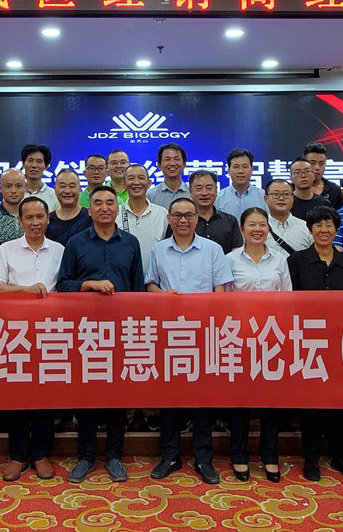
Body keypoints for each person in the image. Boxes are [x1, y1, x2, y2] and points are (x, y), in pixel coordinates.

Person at [59, 187, 145, 484]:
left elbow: (137, 288)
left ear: (117, 208)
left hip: (121, 330)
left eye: (110, 202)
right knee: (87, 396)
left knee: (117, 396)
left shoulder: (131, 243)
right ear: (90, 209)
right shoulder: (75, 243)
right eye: (98, 203)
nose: (105, 207)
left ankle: (113, 456)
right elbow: (63, 285)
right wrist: (89, 285)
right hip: (86, 331)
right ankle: (85, 456)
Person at [147, 197, 234, 485]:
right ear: (169, 219)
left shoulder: (212, 249)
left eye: (188, 215)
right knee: (169, 397)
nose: (183, 220)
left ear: (197, 218)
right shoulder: (159, 249)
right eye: (177, 215)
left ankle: (203, 458)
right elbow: (150, 284)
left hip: (203, 333)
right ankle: (170, 455)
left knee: (202, 399)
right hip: (168, 333)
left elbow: (221, 291)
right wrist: (162, 296)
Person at [0, 196, 64, 482]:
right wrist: (26, 291)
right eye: (29, 217)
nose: (35, 222)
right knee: (16, 396)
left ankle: (41, 454)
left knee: (46, 395)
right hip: (14, 333)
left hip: (50, 333)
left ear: (48, 219)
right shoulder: (6, 250)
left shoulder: (59, 250)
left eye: (40, 217)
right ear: (19, 221)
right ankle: (18, 455)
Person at [286, 206, 343, 482]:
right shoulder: (296, 262)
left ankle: (342, 457)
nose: (324, 230)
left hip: (341, 344)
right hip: (308, 342)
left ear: (336, 230)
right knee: (311, 404)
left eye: (329, 225)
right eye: (318, 225)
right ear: (310, 230)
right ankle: (311, 458)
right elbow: (289, 301)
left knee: (341, 403)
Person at [225, 208, 291, 483]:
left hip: (272, 339)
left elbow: (287, 298)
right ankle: (239, 454)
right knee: (240, 402)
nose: (257, 229)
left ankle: (269, 455)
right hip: (240, 339)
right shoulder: (229, 260)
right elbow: (224, 301)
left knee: (270, 402)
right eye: (251, 224)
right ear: (242, 230)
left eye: (262, 225)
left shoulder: (280, 259)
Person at [117, 164, 169, 274]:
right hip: (123, 279)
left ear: (149, 183)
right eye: (131, 178)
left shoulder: (162, 214)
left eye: (141, 178)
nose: (136, 182)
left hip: (156, 280)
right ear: (124, 184)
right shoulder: (115, 214)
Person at [186, 170, 242, 252]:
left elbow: (237, 252)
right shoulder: (183, 222)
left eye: (209, 188)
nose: (204, 193)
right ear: (190, 191)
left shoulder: (230, 221)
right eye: (199, 189)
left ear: (216, 190)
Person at [263, 179, 312, 257]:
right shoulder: (259, 229)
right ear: (266, 199)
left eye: (286, 194)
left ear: (293, 198)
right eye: (276, 194)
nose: (281, 198)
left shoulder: (306, 227)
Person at [216, 148, 266, 217]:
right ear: (229, 171)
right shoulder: (218, 198)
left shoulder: (264, 197)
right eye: (236, 167)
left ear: (252, 170)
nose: (240, 171)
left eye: (245, 167)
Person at [0, 169, 26, 248]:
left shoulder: (31, 217)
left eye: (18, 186)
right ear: (0, 188)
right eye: (8, 186)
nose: (13, 191)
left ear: (25, 187)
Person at [48, 169, 91, 243]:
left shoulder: (90, 217)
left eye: (72, 186)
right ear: (55, 189)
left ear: (80, 189)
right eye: (62, 186)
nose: (67, 191)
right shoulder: (48, 220)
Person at [302, 142, 343, 208]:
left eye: (321, 163)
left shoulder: (334, 190)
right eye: (312, 163)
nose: (317, 168)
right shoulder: (293, 189)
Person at [147, 142, 189, 208]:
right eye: (167, 159)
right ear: (159, 165)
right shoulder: (150, 195)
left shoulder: (192, 193)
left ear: (184, 164)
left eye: (176, 159)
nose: (172, 163)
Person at [20, 143, 59, 211]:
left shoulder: (54, 195)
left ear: (46, 166)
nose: (34, 165)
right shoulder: (16, 193)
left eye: (39, 161)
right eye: (30, 161)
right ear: (23, 164)